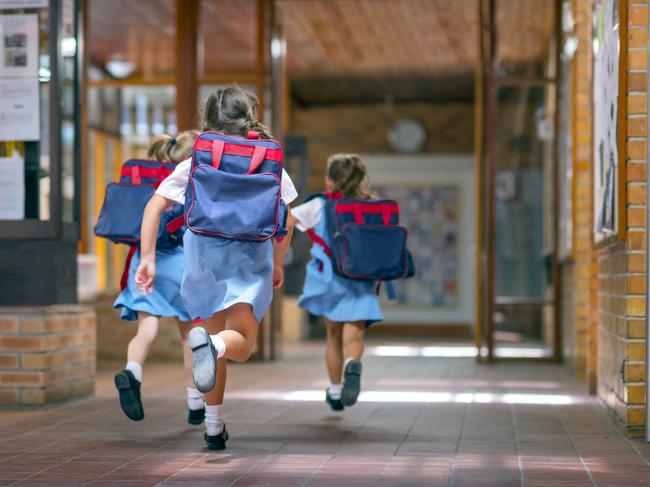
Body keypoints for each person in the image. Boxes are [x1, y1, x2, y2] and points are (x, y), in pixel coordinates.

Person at [136, 85, 298, 450]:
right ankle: (212, 346)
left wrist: (147, 258)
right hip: (249, 258)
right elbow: (286, 218)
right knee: (238, 344)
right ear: (250, 115)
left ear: (209, 117)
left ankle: (213, 427)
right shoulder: (269, 160)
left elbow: (154, 207)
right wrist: (276, 260)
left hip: (202, 259)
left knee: (211, 342)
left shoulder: (196, 158)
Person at [113, 131, 206, 425]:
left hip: (145, 261)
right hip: (180, 263)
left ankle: (132, 372)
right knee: (188, 336)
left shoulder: (150, 183)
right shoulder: (188, 179)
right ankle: (195, 404)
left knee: (147, 330)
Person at [290, 154, 382, 411]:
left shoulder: (319, 204)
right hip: (362, 277)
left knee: (333, 333)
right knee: (355, 331)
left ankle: (335, 389)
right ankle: (354, 361)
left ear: (330, 181)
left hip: (329, 277)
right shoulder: (371, 204)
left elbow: (287, 221)